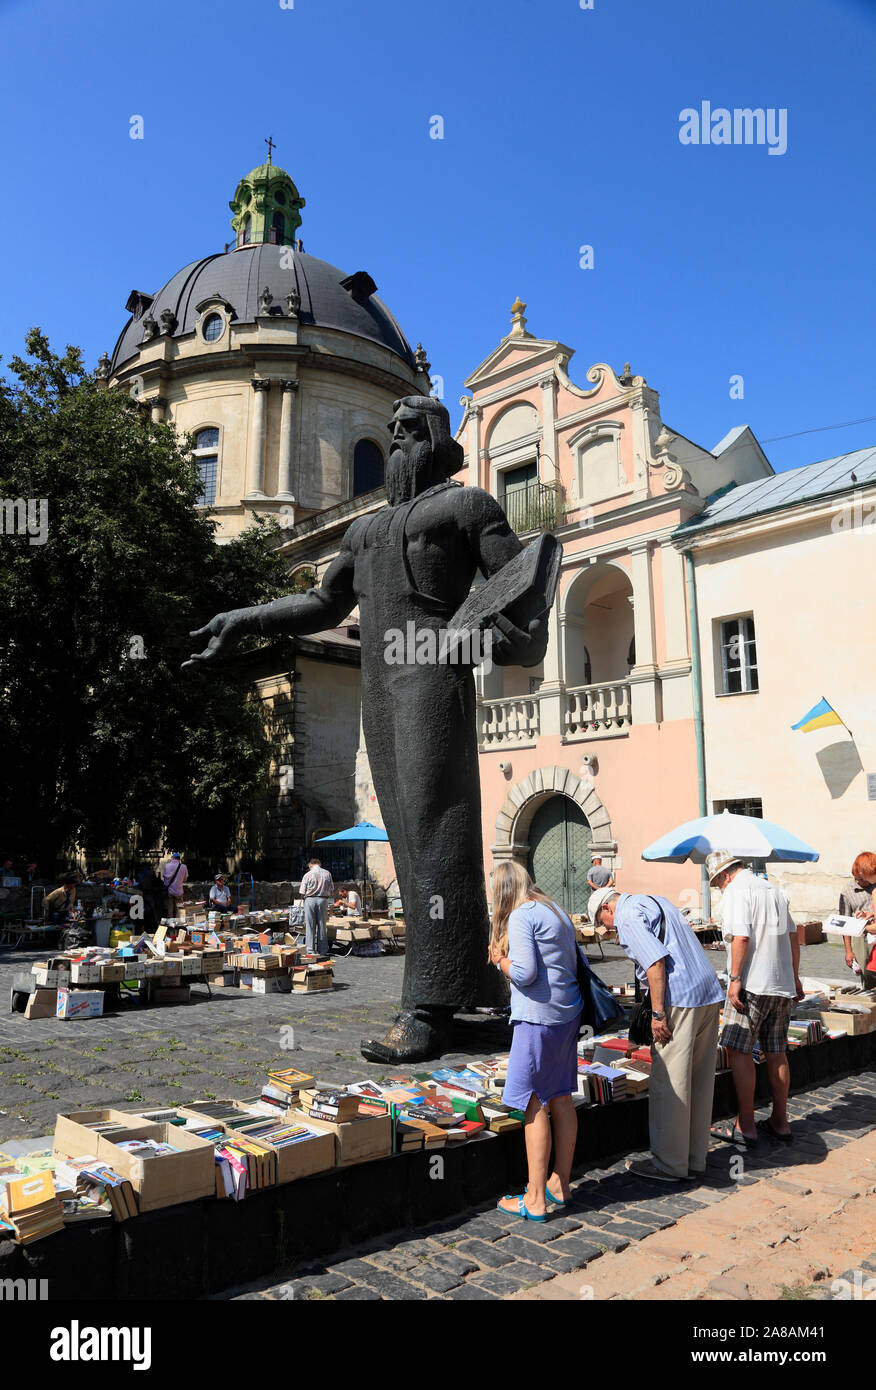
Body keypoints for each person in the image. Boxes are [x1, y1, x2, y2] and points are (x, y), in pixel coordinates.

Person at [184, 395, 550, 1064]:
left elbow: (522, 580)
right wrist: (245, 617)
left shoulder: (469, 508)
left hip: (434, 672)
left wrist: (508, 635)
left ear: (438, 443)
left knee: (437, 822)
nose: (397, 446)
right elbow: (322, 603)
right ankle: (470, 988)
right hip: (378, 687)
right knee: (411, 838)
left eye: (410, 434)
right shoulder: (365, 532)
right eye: (392, 436)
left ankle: (424, 1008)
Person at [589, 882, 723, 1182]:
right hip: (707, 992)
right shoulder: (655, 900)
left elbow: (655, 962)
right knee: (700, 1081)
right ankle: (694, 1159)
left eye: (602, 922)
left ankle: (669, 1164)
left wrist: (658, 1013)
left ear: (607, 908)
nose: (607, 929)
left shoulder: (626, 916)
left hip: (680, 999)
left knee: (670, 1082)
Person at [489, 861, 583, 1222]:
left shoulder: (522, 914)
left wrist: (500, 960)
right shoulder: (552, 907)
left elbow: (526, 974)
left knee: (533, 1103)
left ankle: (535, 1198)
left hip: (538, 1018)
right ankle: (560, 1183)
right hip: (566, 1012)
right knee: (560, 1097)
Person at [706, 852, 803, 1146]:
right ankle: (780, 1121)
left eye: (717, 884)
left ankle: (745, 1125)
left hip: (752, 984)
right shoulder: (773, 889)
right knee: (777, 1051)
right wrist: (795, 976)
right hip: (780, 983)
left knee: (739, 1051)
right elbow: (793, 936)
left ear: (725, 876)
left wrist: (735, 979)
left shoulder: (737, 891)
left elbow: (741, 937)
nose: (720, 889)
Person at [839, 852, 876, 988]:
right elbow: (845, 921)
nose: (860, 882)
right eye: (857, 878)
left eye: (862, 878)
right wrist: (849, 951)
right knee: (868, 976)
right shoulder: (847, 891)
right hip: (864, 939)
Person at [299, 857, 335, 955]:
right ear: (319, 864)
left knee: (310, 925)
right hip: (323, 899)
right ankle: (322, 949)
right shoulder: (327, 873)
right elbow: (331, 889)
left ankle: (310, 950)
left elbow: (302, 892)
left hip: (310, 899)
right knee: (322, 925)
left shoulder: (307, 875)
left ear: (310, 865)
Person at [162, 851, 188, 918]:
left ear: (172, 858)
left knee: (170, 907)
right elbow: (185, 879)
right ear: (179, 859)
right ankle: (178, 923)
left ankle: (170, 922)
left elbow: (164, 877)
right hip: (179, 891)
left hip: (170, 890)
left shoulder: (167, 866)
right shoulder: (184, 867)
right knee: (179, 909)